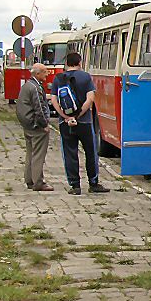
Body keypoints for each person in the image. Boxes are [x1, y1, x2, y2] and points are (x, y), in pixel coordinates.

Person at [49, 52, 109, 195]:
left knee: (70, 153)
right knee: (90, 152)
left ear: (66, 63)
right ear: (80, 62)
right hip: (85, 122)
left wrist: (66, 116)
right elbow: (90, 99)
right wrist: (78, 115)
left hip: (65, 124)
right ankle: (93, 183)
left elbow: (53, 100)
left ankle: (75, 185)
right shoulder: (86, 77)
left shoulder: (58, 78)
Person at [15, 63, 54, 191]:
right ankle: (38, 182)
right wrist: (44, 125)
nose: (47, 74)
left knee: (30, 153)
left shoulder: (27, 85)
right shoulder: (35, 88)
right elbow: (39, 108)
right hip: (36, 125)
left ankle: (29, 179)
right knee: (38, 154)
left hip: (27, 124)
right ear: (37, 74)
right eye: (45, 72)